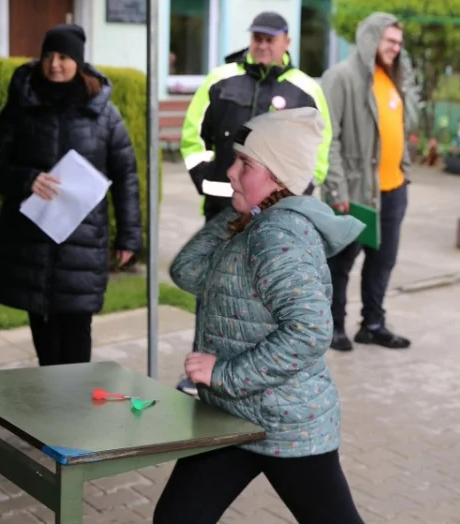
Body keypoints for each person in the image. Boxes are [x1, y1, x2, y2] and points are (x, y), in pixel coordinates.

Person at [154, 107, 365, 524]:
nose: (230, 171)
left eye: (245, 163)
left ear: (279, 176)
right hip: (235, 418)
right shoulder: (257, 223)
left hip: (286, 426)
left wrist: (223, 374)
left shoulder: (278, 235)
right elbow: (188, 271)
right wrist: (241, 211)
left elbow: (309, 331)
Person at [175, 10, 333, 395]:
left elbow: (320, 152)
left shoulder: (306, 88)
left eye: (271, 38)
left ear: (286, 42)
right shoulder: (221, 79)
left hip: (277, 214)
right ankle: (204, 372)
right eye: (257, 37)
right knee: (213, 289)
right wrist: (215, 187)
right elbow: (193, 139)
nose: (262, 44)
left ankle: (252, 376)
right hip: (223, 209)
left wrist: (288, 199)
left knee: (261, 297)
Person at [0, 24, 142, 367]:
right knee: (41, 324)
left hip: (81, 240)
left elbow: (126, 174)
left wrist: (129, 236)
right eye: (48, 55)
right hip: (30, 237)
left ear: (79, 62)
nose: (54, 64)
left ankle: (74, 408)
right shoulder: (21, 106)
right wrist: (26, 179)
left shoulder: (103, 114)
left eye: (64, 57)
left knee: (77, 324)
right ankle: (49, 408)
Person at [321, 12, 417, 351]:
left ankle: (373, 324)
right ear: (370, 38)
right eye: (389, 41)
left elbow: (397, 129)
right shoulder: (341, 78)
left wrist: (405, 171)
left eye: (398, 43)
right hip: (355, 192)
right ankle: (333, 327)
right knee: (341, 263)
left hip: (393, 190)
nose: (395, 48)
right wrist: (337, 189)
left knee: (383, 260)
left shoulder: (390, 80)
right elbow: (328, 136)